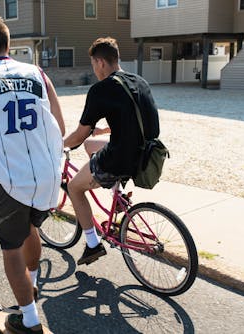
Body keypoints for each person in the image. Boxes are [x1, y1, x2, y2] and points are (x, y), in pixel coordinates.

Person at [0, 13, 65, 334]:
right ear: (8, 44)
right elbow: (59, 125)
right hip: (48, 178)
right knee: (30, 226)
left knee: (10, 245)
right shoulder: (38, 74)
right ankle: (30, 286)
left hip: (12, 179)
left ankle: (29, 320)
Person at [64, 37, 160, 265]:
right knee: (90, 146)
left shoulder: (101, 90)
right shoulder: (139, 81)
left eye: (93, 65)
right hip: (144, 153)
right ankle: (115, 194)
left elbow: (78, 135)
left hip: (120, 158)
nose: (94, 70)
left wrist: (57, 145)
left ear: (99, 62)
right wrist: (104, 130)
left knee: (74, 187)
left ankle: (92, 244)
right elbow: (141, 118)